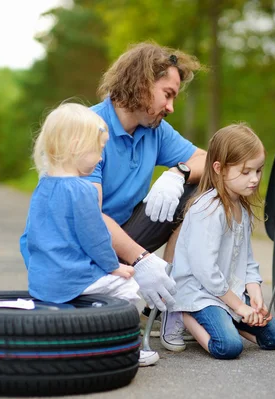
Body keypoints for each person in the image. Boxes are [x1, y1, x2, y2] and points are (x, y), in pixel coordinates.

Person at [19, 102, 160, 367]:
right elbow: (95, 238)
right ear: (75, 147)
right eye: (98, 150)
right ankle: (125, 346)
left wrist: (39, 269)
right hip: (74, 278)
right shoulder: (82, 190)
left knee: (94, 287)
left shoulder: (42, 186)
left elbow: (29, 237)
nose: (99, 158)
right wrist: (113, 266)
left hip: (43, 281)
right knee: (128, 287)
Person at [87, 42, 207, 348]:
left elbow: (209, 160)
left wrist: (177, 173)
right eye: (167, 95)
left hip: (124, 237)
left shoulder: (154, 129)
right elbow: (88, 215)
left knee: (197, 189)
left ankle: (168, 300)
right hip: (85, 246)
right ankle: (123, 285)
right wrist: (141, 259)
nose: (170, 108)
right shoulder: (89, 129)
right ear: (142, 84)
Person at [169, 123, 275, 359]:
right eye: (246, 172)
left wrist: (254, 295)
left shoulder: (240, 207)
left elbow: (248, 260)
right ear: (219, 169)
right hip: (199, 292)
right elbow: (205, 271)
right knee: (228, 347)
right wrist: (239, 306)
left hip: (226, 291)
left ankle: (227, 320)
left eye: (258, 171)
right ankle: (181, 314)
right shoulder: (209, 209)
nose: (254, 179)